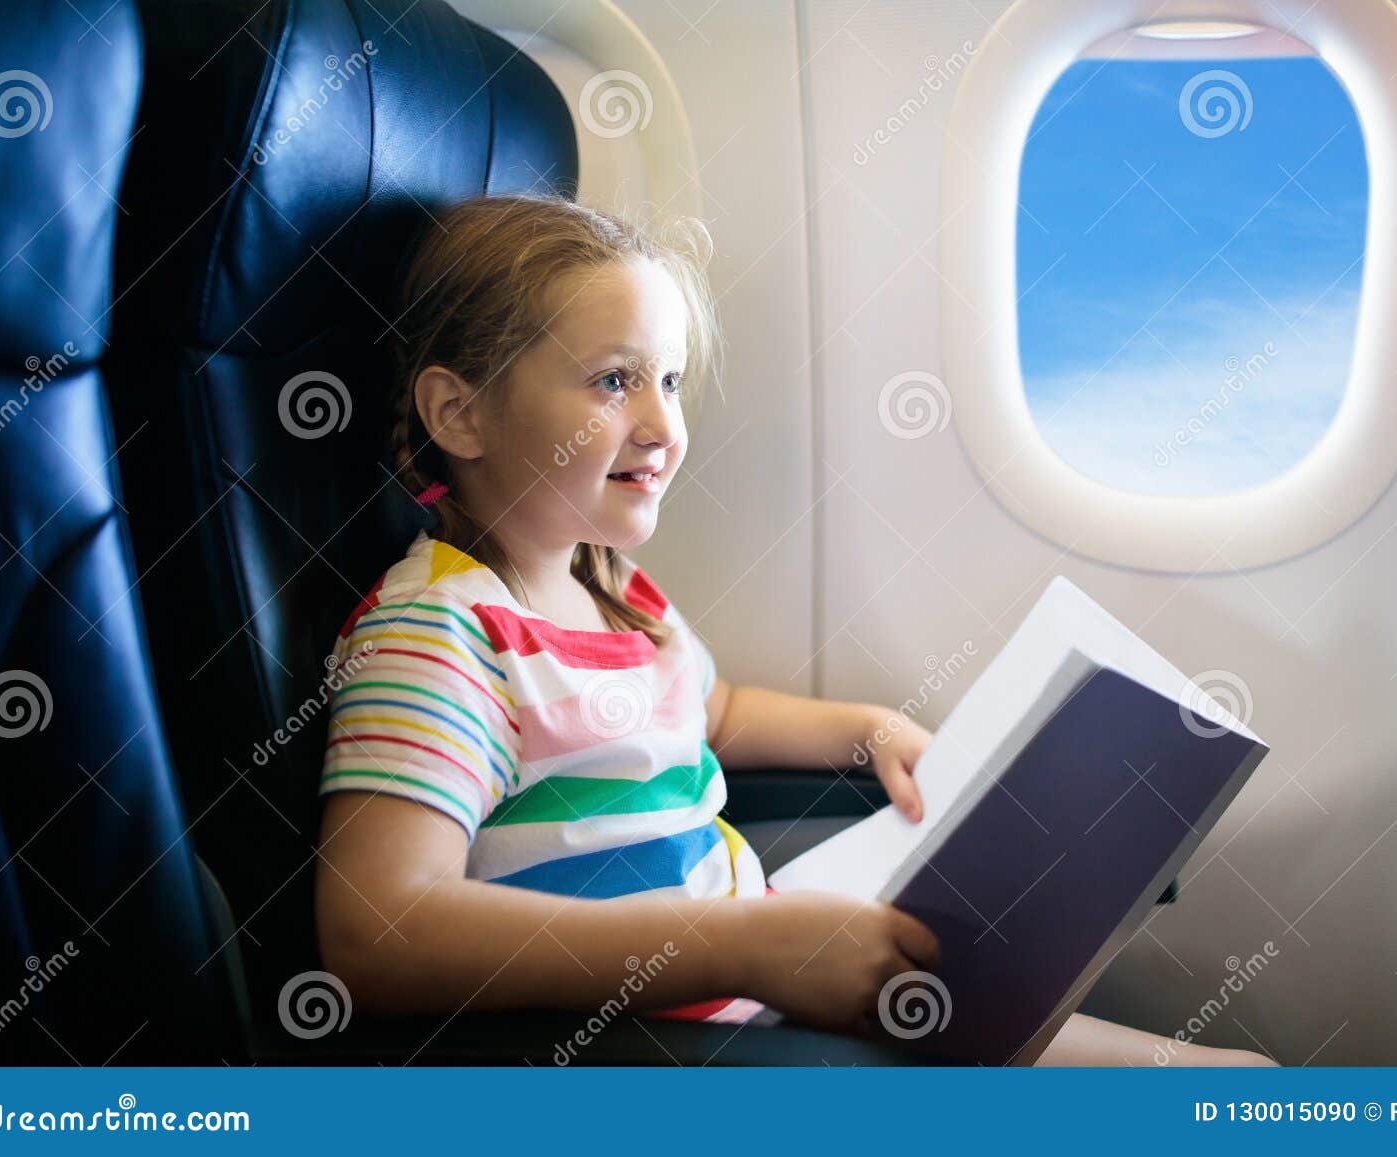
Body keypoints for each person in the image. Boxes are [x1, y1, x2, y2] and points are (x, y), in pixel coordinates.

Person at [313, 193, 1276, 1066]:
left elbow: (717, 713)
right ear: (460, 413)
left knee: (1246, 1089)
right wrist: (744, 947)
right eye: (613, 382)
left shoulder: (616, 592)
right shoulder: (439, 638)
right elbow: (377, 933)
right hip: (657, 1040)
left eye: (673, 382)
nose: (662, 424)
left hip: (760, 986)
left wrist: (872, 730)